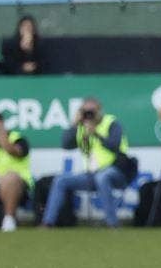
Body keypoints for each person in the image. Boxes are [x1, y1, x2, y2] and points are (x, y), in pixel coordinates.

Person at [43, 98, 134, 228]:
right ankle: (48, 222)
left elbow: (115, 145)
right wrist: (74, 124)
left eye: (92, 111)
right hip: (91, 174)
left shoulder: (111, 123)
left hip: (116, 171)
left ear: (100, 111)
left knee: (102, 177)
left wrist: (95, 134)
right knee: (60, 180)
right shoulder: (81, 128)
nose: (89, 115)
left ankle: (112, 223)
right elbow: (66, 144)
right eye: (86, 111)